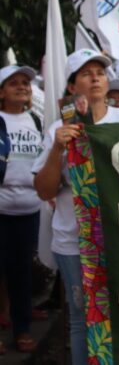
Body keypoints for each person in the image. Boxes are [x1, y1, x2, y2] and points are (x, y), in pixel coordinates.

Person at [33, 49, 119, 365]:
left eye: (101, 72)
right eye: (86, 73)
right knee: (83, 320)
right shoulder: (58, 131)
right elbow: (44, 190)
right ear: (71, 87)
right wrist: (57, 149)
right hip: (75, 243)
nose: (95, 77)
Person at [0, 65, 45, 355]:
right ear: (1, 92)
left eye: (25, 83)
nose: (22, 87)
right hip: (1, 211)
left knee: (22, 272)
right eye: (14, 83)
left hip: (31, 211)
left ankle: (23, 330)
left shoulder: (37, 121)